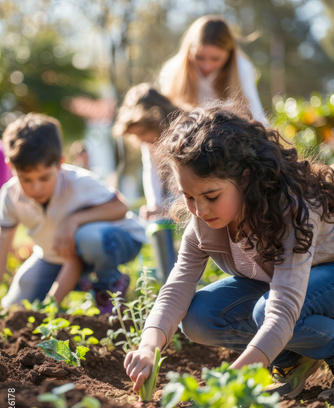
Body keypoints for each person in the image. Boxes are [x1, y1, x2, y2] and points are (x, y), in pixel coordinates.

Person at [125, 100, 334, 399]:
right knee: (200, 315)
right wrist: (148, 345)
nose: (199, 209)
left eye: (211, 195)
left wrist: (237, 375)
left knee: (268, 311)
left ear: (245, 178)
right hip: (291, 294)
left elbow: (284, 305)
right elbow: (178, 285)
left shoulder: (292, 210)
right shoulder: (204, 222)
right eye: (189, 196)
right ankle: (292, 360)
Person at [0, 113, 146, 312]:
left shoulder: (79, 182)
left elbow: (121, 207)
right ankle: (85, 282)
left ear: (59, 163)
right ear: (11, 167)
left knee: (90, 238)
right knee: (13, 305)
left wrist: (73, 220)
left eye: (44, 178)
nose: (36, 188)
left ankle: (109, 283)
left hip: (115, 240)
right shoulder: (9, 195)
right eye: (26, 179)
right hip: (56, 256)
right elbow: (2, 248)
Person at [159, 15, 266, 122]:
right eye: (199, 57)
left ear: (229, 54)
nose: (207, 65)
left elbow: (257, 114)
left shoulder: (242, 68)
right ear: (189, 51)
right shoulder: (171, 70)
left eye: (216, 59)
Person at [114, 84, 179, 220]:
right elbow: (151, 170)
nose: (142, 140)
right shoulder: (149, 141)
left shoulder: (182, 132)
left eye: (143, 132)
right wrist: (155, 204)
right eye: (136, 136)